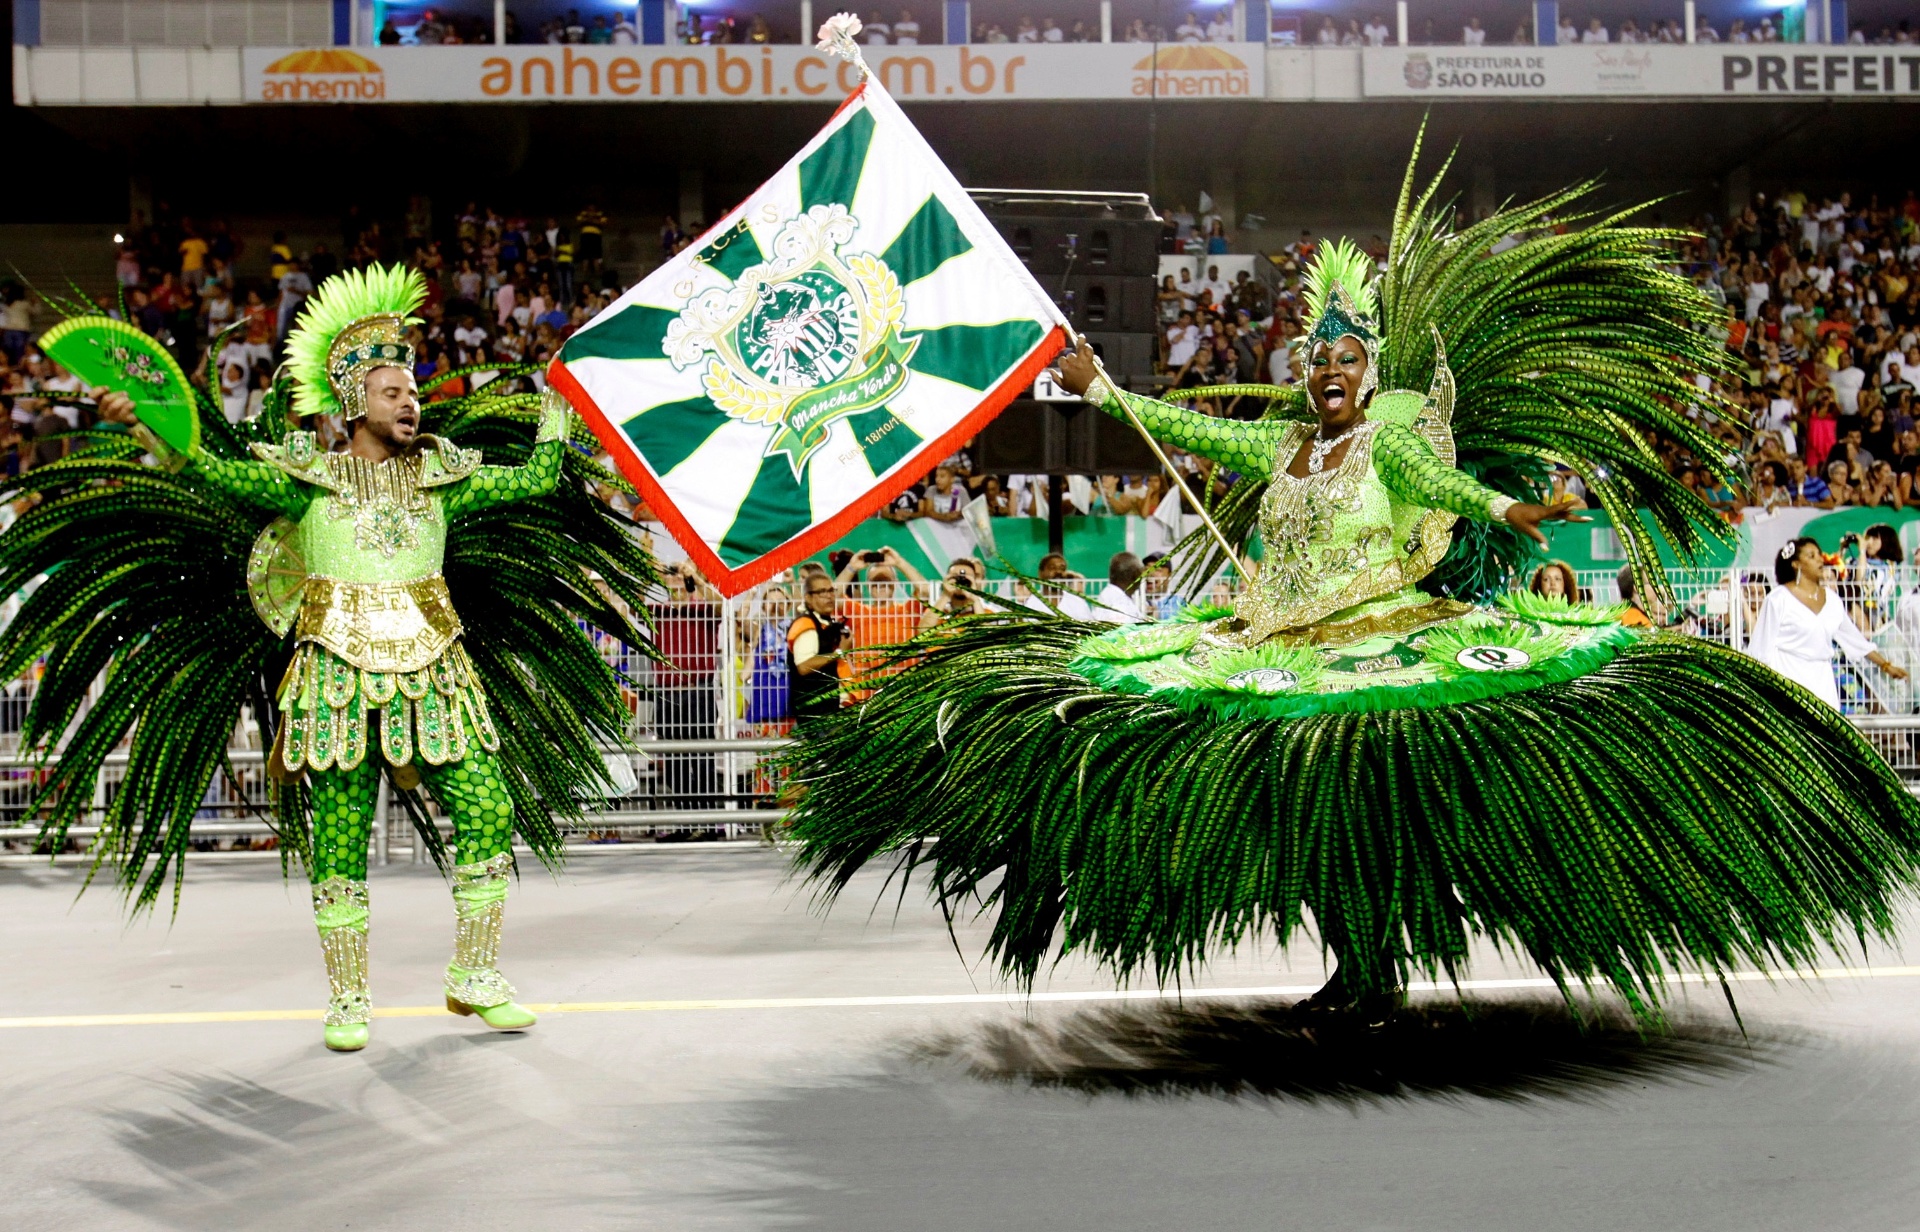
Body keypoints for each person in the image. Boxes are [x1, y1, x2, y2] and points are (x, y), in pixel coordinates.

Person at [780, 157, 1920, 1029]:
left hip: (1389, 647)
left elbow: (1447, 481)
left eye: (1346, 364)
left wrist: (1507, 514)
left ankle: (1378, 961)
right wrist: (1101, 385)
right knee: (1307, 806)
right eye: (1314, 364)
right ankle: (1360, 962)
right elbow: (1178, 426)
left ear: (1369, 373)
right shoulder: (1280, 448)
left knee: (1375, 797)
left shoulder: (1389, 442)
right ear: (1301, 374)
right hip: (1284, 650)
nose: (1328, 376)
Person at [51, 264, 655, 1052]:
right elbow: (215, 471)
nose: (411, 403)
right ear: (353, 404)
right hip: (332, 675)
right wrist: (142, 424)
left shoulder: (445, 481)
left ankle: (475, 975)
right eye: (394, 392)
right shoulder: (310, 481)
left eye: (413, 392)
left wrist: (558, 399)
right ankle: (347, 998)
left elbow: (541, 476)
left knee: (487, 808)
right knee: (337, 837)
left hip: (436, 669)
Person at [1747, 537, 1908, 709]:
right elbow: (1759, 650)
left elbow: (1856, 642)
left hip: (1823, 687)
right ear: (1796, 564)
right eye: (1811, 556)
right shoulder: (1777, 599)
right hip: (1788, 687)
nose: (1819, 559)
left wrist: (1886, 665)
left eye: (1819, 554)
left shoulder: (1832, 600)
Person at [787, 570, 851, 720]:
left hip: (833, 710)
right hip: (817, 714)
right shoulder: (805, 624)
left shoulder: (829, 624)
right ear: (808, 598)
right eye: (822, 592)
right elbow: (804, 666)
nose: (829, 596)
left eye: (831, 590)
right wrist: (840, 652)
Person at [1092, 551, 1146, 622]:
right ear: (1135, 575)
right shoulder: (1118, 604)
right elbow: (1123, 632)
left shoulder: (1112, 596)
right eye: (1141, 573)